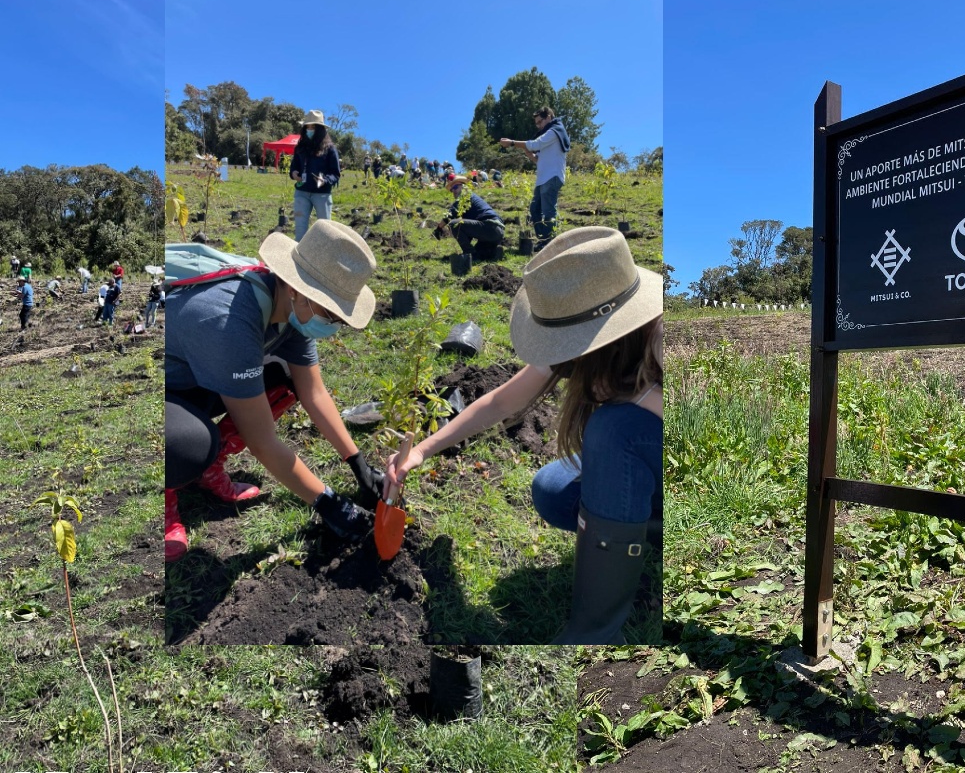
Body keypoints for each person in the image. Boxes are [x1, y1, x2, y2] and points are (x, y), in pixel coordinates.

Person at [388, 227, 663, 644]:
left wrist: (635, 397)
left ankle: (595, 630)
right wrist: (422, 452)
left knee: (614, 428)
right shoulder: (579, 336)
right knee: (553, 490)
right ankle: (651, 528)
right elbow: (500, 403)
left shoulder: (661, 336)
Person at [164, 219, 386, 562]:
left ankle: (207, 469)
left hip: (199, 375)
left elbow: (314, 393)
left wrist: (357, 462)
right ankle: (165, 497)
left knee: (284, 378)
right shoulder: (231, 322)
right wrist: (327, 501)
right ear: (298, 290)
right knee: (190, 443)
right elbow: (262, 440)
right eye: (331, 314)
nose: (333, 326)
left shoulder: (289, 307)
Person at [500, 107, 570, 252]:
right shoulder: (547, 134)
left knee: (548, 210)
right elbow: (537, 159)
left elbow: (535, 145)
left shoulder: (555, 131)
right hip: (543, 178)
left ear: (549, 117)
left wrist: (513, 143)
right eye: (536, 123)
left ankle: (550, 241)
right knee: (535, 209)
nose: (538, 126)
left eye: (540, 122)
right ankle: (544, 239)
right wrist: (527, 151)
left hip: (552, 176)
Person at [290, 110, 342, 241]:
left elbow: (335, 173)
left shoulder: (330, 148)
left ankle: (323, 260)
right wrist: (294, 173)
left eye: (312, 127)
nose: (309, 130)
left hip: (322, 195)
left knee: (325, 232)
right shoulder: (300, 147)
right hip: (301, 192)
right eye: (307, 127)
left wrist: (325, 180)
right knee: (300, 233)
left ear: (320, 130)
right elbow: (294, 166)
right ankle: (299, 260)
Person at [441, 175, 505, 260]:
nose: (453, 191)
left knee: (454, 223)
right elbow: (467, 230)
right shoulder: (471, 196)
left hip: (489, 226)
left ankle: (469, 255)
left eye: (455, 187)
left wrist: (438, 228)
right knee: (479, 252)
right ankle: (494, 251)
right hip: (497, 231)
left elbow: (448, 216)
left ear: (463, 186)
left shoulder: (464, 197)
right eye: (451, 190)